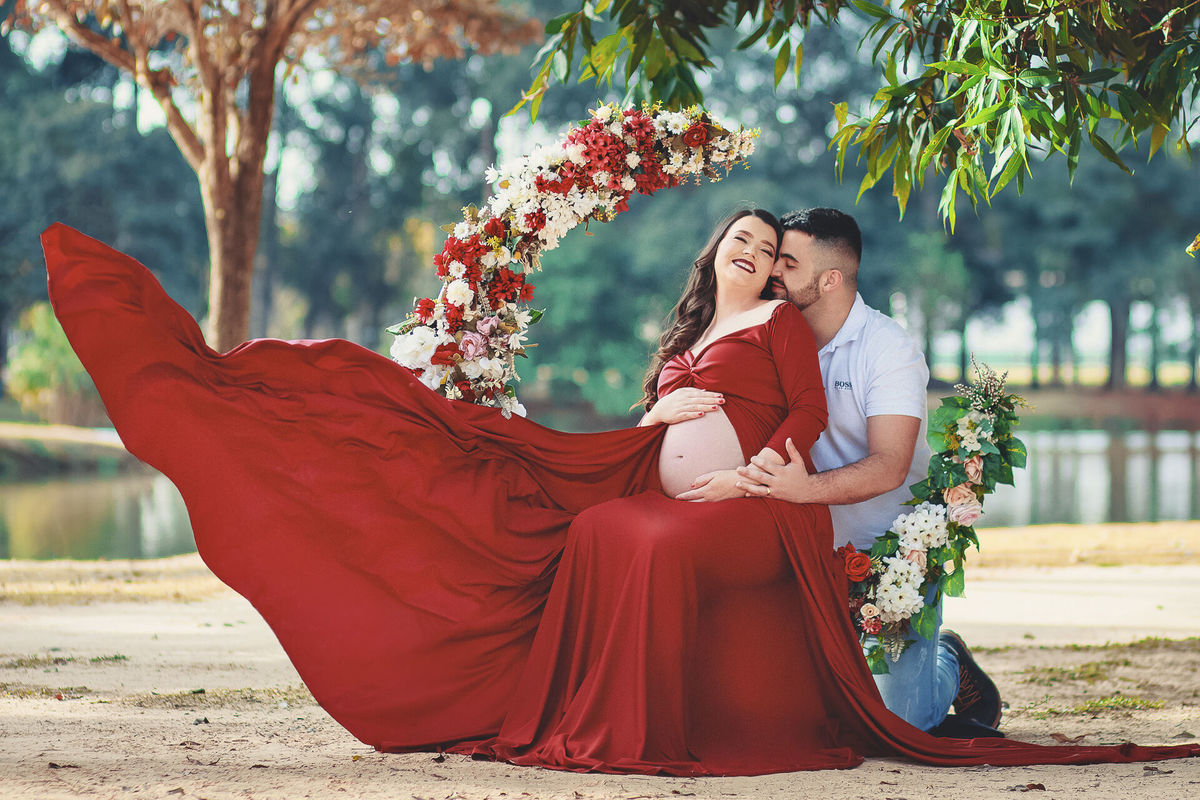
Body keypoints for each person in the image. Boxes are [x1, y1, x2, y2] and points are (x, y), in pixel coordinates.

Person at [41, 217, 1196, 775]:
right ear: (716, 257)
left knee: (637, 536)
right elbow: (662, 411)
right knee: (525, 494)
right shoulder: (698, 328)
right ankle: (567, 717)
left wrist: (765, 465)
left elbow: (799, 412)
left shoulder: (786, 328)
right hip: (650, 479)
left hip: (757, 505)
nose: (756, 252)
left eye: (770, 245)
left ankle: (639, 728)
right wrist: (663, 417)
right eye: (741, 241)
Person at [735, 207, 1001, 735]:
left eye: (787, 262)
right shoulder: (767, 333)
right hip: (803, 548)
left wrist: (804, 490)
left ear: (830, 278)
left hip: (891, 553)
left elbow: (890, 466)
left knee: (896, 722)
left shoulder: (888, 349)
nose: (773, 274)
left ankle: (950, 663)